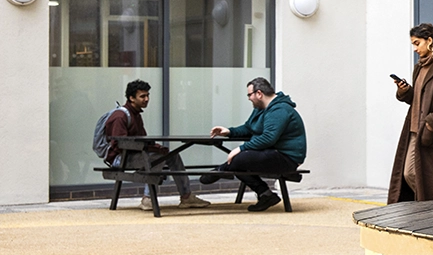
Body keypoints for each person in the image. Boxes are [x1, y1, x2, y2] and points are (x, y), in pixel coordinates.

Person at [200, 77, 307, 212]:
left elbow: (269, 138)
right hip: (271, 152)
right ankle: (266, 195)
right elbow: (249, 128)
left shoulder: (280, 110)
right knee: (239, 161)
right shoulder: (261, 108)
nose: (249, 98)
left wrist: (240, 148)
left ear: (259, 94)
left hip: (287, 157)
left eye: (249, 94)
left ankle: (221, 170)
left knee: (240, 159)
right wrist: (229, 132)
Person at [103, 79, 210, 211]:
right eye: (142, 96)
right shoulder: (120, 116)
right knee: (156, 157)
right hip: (120, 158)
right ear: (131, 98)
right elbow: (119, 144)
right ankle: (147, 198)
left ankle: (186, 196)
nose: (147, 99)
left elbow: (142, 140)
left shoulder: (135, 114)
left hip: (134, 154)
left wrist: (156, 148)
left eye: (148, 95)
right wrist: (153, 149)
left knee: (171, 155)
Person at [387, 23, 433, 203]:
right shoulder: (419, 67)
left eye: (417, 43)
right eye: (413, 44)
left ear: (429, 41)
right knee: (409, 174)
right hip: (413, 130)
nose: (415, 48)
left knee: (422, 177)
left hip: (432, 133)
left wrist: (430, 123)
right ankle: (423, 207)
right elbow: (419, 98)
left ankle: (426, 208)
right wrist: (405, 91)